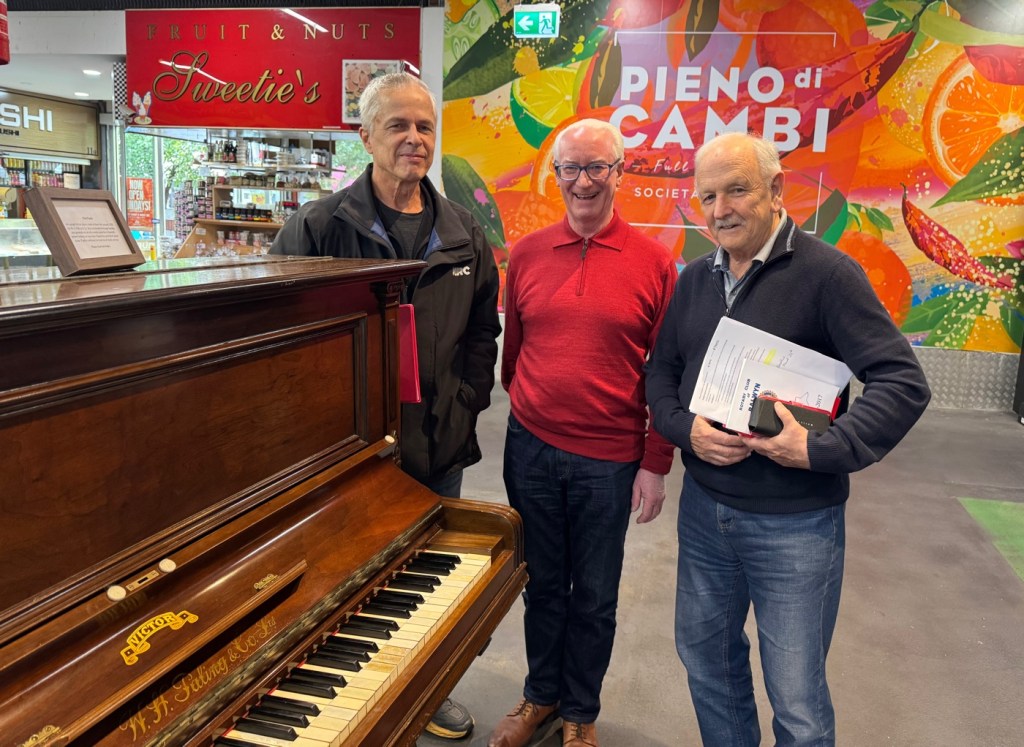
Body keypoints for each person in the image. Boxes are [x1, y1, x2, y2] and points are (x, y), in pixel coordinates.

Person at [645, 131, 931, 746]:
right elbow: (661, 373)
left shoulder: (829, 275)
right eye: (708, 197)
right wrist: (683, 429)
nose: (721, 210)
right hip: (705, 514)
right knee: (706, 662)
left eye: (737, 191)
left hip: (796, 525)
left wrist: (821, 449)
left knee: (796, 699)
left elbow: (902, 382)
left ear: (776, 190)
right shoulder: (694, 281)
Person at [271, 71, 501, 741]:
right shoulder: (317, 228)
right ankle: (345, 704)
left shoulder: (463, 232)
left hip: (437, 441)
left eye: (424, 126)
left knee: (428, 574)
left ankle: (427, 691)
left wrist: (467, 400)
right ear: (366, 136)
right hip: (347, 454)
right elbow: (277, 332)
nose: (413, 138)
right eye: (397, 125)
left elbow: (483, 330)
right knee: (343, 581)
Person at [490, 119, 676, 747]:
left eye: (597, 167)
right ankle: (540, 695)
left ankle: (580, 711)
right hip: (531, 449)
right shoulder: (527, 254)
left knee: (594, 596)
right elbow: (514, 355)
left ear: (620, 173)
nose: (584, 181)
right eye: (571, 168)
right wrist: (534, 406)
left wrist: (655, 461)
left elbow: (667, 370)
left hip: (609, 459)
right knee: (541, 584)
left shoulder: (655, 263)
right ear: (557, 175)